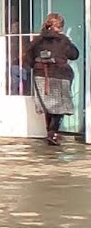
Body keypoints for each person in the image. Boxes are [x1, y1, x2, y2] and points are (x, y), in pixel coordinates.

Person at [26, 12, 80, 145]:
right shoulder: (63, 40)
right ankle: (53, 133)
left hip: (40, 75)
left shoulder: (37, 40)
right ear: (60, 26)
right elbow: (74, 55)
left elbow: (28, 58)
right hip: (60, 74)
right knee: (59, 106)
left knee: (47, 105)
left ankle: (50, 133)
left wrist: (36, 66)